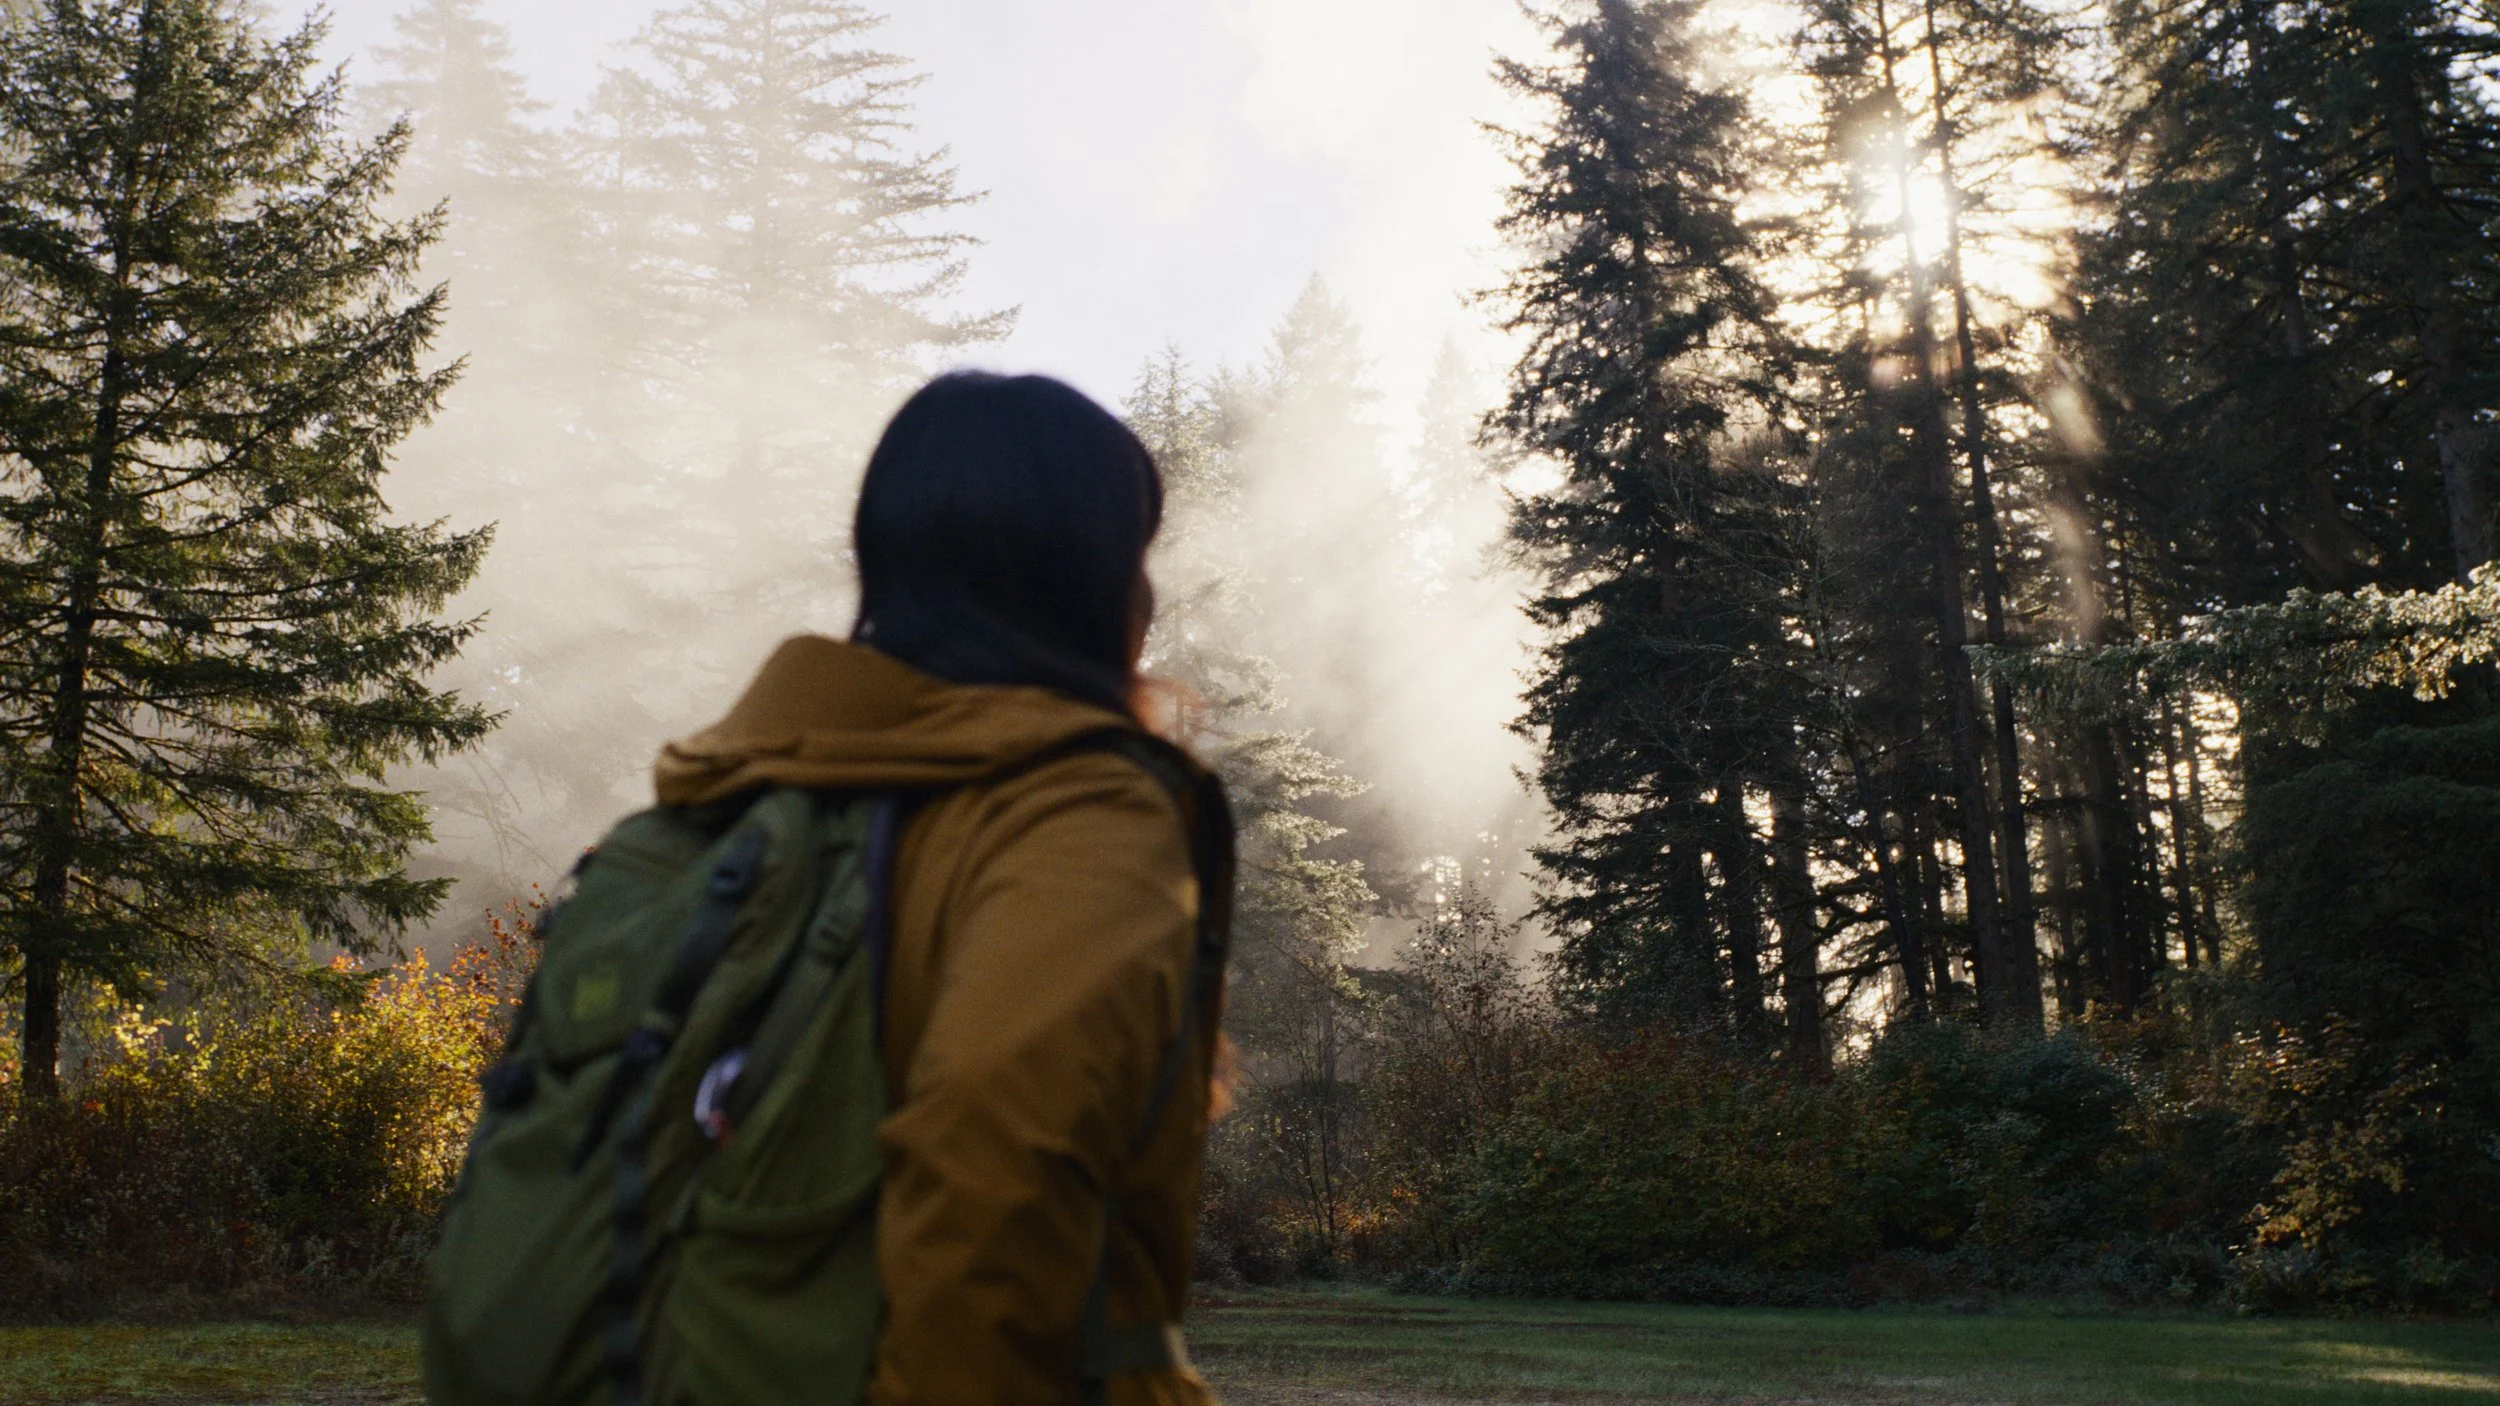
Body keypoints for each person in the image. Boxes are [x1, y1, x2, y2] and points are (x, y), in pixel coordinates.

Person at [651, 371, 1230, 1405]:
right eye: (1134, 554)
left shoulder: (739, 807)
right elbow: (993, 1183)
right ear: (1090, 577)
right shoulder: (1078, 813)